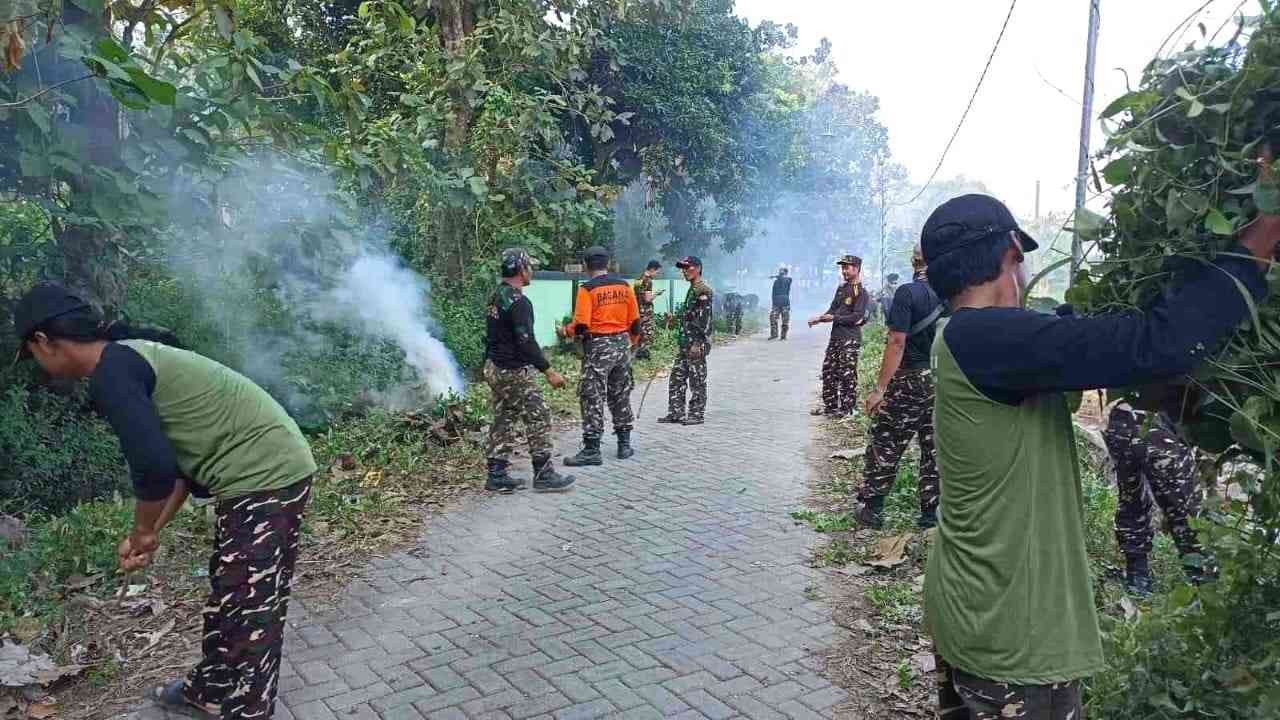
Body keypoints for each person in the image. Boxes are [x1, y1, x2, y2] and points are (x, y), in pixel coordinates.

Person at [920, 192, 1277, 719]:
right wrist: (1261, 236)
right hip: (1011, 631)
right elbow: (1157, 343)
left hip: (977, 606)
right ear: (1011, 254)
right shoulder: (989, 335)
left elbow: (1087, 344)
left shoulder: (964, 337)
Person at [13, 282, 318, 719]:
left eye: (32, 354)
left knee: (252, 604)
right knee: (231, 590)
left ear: (42, 340)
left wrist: (140, 529)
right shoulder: (125, 359)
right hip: (256, 471)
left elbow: (153, 468)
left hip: (265, 472)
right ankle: (210, 689)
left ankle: (247, 709)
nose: (39, 366)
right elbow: (175, 467)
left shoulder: (112, 370)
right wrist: (149, 534)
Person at [858, 245, 942, 530]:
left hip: (910, 379)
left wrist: (880, 388)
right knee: (934, 448)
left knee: (887, 441)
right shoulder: (954, 293)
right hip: (943, 381)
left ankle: (872, 508)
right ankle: (931, 514)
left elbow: (896, 342)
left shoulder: (908, 292)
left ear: (915, 261)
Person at [484, 248, 575, 493]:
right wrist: (549, 371)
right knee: (539, 415)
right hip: (512, 370)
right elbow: (526, 342)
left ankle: (497, 473)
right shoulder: (520, 302)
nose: (531, 271)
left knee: (505, 415)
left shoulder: (497, 294)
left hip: (494, 367)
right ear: (521, 269)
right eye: (529, 266)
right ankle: (544, 473)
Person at [1102, 401, 1206, 595]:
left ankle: (1138, 577)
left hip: (1121, 417)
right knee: (1185, 509)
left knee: (1131, 498)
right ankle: (1204, 581)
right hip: (1157, 424)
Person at [559, 246, 642, 465]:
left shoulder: (587, 289)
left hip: (598, 346)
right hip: (622, 344)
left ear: (586, 265)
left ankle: (592, 450)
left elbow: (581, 326)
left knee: (592, 396)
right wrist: (631, 345)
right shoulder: (625, 286)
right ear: (608, 263)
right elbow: (635, 322)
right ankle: (624, 445)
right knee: (620, 392)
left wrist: (566, 331)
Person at [809, 255, 869, 417]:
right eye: (842, 268)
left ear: (856, 269)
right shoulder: (841, 289)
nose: (843, 271)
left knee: (847, 374)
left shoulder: (861, 292)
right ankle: (831, 407)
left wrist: (834, 318)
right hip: (835, 338)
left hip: (850, 339)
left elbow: (857, 317)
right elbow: (833, 309)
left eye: (847, 267)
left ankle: (847, 409)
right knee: (829, 371)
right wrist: (820, 318)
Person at [658, 256, 714, 426]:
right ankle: (676, 413)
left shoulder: (703, 290)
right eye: (682, 268)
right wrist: (673, 318)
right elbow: (688, 316)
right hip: (684, 342)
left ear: (697, 268)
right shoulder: (692, 289)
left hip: (695, 343)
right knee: (677, 378)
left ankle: (696, 414)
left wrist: (697, 344)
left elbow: (704, 320)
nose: (684, 271)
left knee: (697, 380)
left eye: (687, 267)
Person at [634, 260, 664, 360]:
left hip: (638, 310)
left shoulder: (639, 278)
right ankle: (643, 356)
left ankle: (638, 354)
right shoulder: (648, 281)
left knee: (640, 333)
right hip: (645, 312)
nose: (656, 274)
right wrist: (657, 293)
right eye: (657, 272)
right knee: (647, 334)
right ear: (652, 269)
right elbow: (647, 299)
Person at [769, 266, 792, 340]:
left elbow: (784, 279)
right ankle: (774, 334)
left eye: (782, 272)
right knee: (773, 318)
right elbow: (773, 293)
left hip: (785, 303)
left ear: (785, 273)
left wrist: (776, 276)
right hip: (776, 303)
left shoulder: (788, 280)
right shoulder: (776, 281)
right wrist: (773, 303)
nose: (780, 273)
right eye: (780, 272)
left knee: (785, 320)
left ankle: (783, 336)